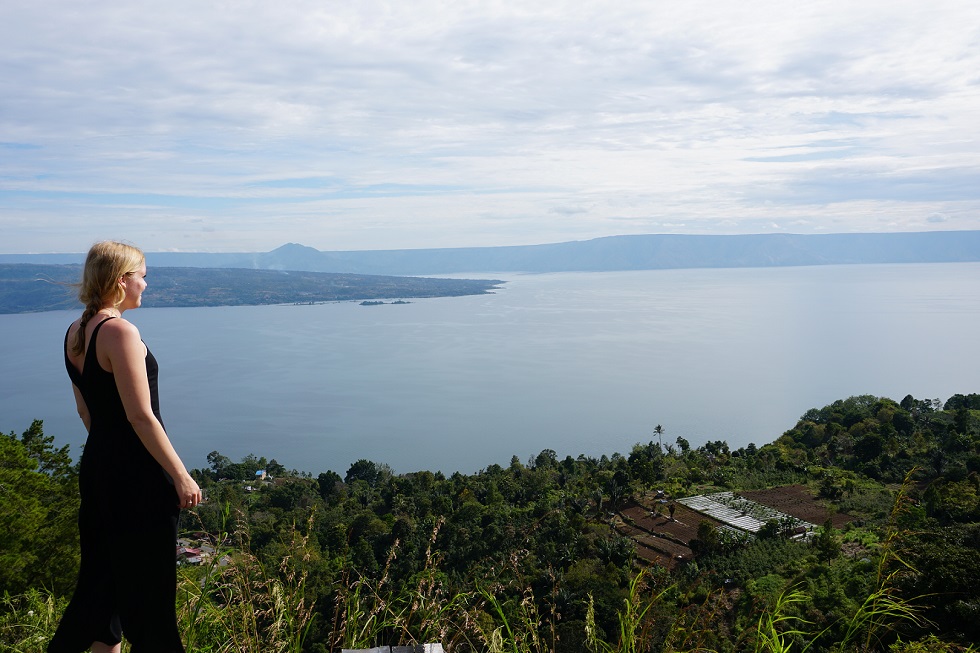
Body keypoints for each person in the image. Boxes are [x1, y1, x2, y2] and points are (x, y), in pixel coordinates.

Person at [49, 241, 201, 653]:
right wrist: (180, 475)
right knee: (150, 597)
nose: (146, 285)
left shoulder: (76, 332)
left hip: (99, 470)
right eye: (142, 276)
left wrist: (107, 458)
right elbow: (141, 416)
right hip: (139, 479)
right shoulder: (118, 332)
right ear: (122, 281)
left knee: (102, 591)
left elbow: (86, 414)